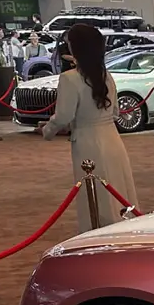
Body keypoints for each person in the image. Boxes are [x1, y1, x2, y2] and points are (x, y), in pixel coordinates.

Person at [39, 24, 138, 232]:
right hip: (112, 138)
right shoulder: (105, 74)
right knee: (118, 188)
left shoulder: (70, 78)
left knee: (94, 194)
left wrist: (48, 130)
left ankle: (98, 233)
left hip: (87, 141)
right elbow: (115, 112)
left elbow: (64, 116)